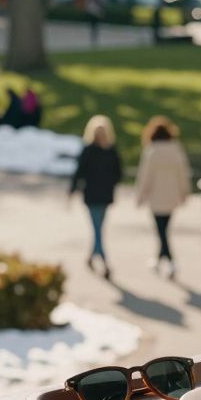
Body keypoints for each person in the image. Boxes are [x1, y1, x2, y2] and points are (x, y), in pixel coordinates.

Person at [134, 116, 191, 279]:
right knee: (164, 230)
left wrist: (140, 195)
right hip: (171, 196)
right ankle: (159, 259)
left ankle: (171, 261)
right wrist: (184, 192)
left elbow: (144, 176)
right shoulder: (176, 149)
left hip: (156, 197)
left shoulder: (151, 151)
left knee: (161, 231)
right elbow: (183, 173)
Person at [71, 115, 123, 279]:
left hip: (102, 195)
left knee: (98, 229)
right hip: (95, 196)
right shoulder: (90, 150)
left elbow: (118, 173)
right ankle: (104, 261)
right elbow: (79, 172)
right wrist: (72, 190)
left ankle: (92, 257)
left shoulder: (110, 151)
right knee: (98, 229)